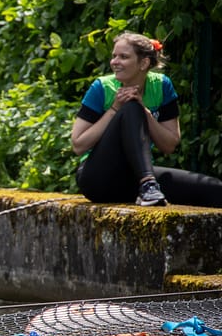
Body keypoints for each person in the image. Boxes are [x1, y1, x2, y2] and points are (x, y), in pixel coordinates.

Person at [71, 32, 222, 207]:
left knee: (215, 189)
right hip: (98, 179)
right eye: (114, 56)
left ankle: (148, 185)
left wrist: (145, 110)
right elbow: (78, 145)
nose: (114, 62)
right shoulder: (102, 87)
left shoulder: (161, 86)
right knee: (130, 108)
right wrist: (114, 109)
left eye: (123, 57)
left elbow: (169, 145)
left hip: (133, 178)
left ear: (143, 63)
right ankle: (148, 184)